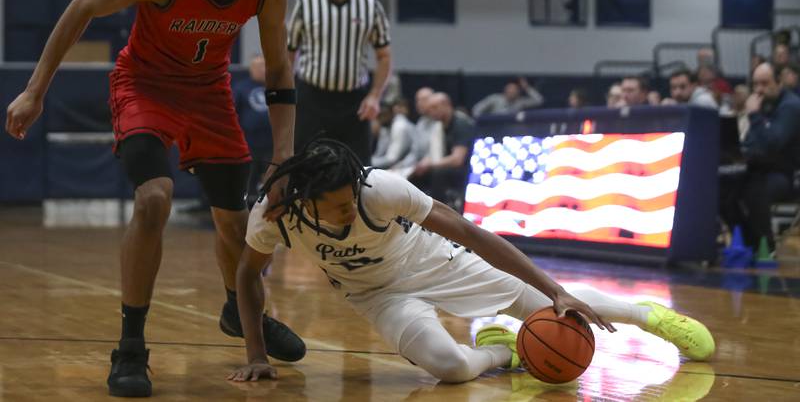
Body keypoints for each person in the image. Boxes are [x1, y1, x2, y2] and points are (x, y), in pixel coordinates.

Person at [5, 0, 305, 397]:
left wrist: (283, 155)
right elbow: (83, 5)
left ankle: (240, 312)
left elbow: (279, 71)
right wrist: (34, 90)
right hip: (144, 87)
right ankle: (130, 347)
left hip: (208, 94)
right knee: (153, 201)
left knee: (236, 224)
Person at [227, 139, 715, 384]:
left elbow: (471, 232)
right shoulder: (275, 217)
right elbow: (248, 274)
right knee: (451, 369)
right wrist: (255, 355)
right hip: (376, 295)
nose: (349, 209)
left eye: (351, 198)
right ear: (308, 202)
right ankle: (504, 349)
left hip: (433, 261)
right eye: (336, 207)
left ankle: (649, 315)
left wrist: (553, 289)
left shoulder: (379, 189)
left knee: (555, 305)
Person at [288, 0, 393, 164]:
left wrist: (375, 96)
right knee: (304, 165)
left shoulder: (370, 7)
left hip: (353, 102)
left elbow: (384, 57)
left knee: (358, 168)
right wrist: (287, 92)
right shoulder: (306, 3)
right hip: (311, 97)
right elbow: (289, 53)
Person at [738, 62, 800, 251]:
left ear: (779, 82)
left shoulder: (791, 106)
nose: (759, 90)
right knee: (727, 189)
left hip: (783, 175)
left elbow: (773, 143)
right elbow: (750, 142)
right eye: (755, 84)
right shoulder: (763, 105)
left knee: (754, 191)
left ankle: (766, 247)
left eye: (764, 83)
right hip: (758, 169)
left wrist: (754, 116)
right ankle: (747, 242)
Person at [411, 92, 475, 206]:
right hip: (449, 167)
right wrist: (426, 162)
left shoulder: (461, 124)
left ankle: (437, 210)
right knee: (417, 174)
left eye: (435, 108)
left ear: (447, 105)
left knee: (438, 173)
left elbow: (457, 160)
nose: (432, 112)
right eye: (430, 109)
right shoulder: (440, 126)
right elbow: (434, 153)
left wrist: (431, 164)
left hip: (467, 170)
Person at [234, 55, 273, 207]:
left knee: (271, 176)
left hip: (271, 141)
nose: (262, 69)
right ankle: (247, 206)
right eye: (258, 66)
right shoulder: (241, 88)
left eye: (264, 65)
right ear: (251, 69)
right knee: (249, 177)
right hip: (249, 142)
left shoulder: (276, 86)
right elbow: (234, 112)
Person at [371, 99, 415, 170]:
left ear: (392, 113)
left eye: (384, 115)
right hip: (395, 165)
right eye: (380, 115)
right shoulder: (385, 126)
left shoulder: (400, 126)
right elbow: (379, 153)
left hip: (410, 164)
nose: (382, 118)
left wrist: (367, 162)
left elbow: (392, 158)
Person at [471, 77, 543, 118]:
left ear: (518, 93)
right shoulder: (495, 99)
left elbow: (539, 100)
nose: (511, 93)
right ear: (505, 91)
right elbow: (476, 110)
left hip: (511, 129)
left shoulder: (520, 102)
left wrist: (526, 87)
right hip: (493, 128)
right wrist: (485, 121)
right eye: (509, 90)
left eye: (514, 91)